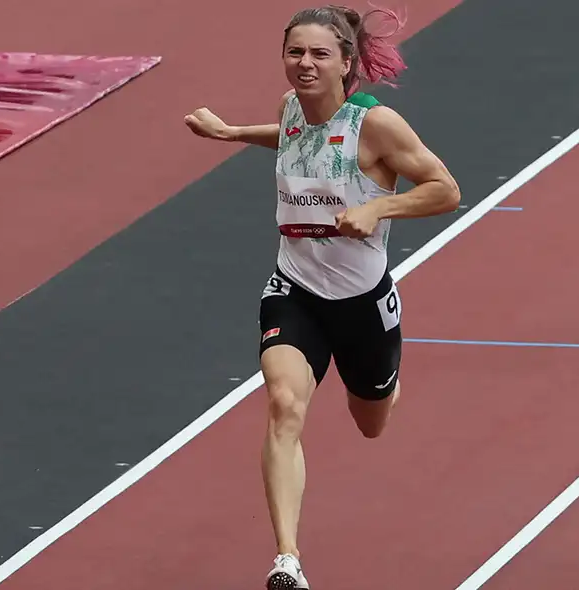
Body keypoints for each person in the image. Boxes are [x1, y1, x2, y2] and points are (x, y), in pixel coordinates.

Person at [183, 5, 460, 589]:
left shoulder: (377, 125)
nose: (304, 64)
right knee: (284, 404)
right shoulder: (290, 110)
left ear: (346, 63)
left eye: (318, 54)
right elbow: (291, 140)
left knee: (372, 422)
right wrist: (233, 132)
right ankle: (288, 560)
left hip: (362, 303)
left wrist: (378, 205)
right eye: (294, 52)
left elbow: (444, 189)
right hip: (295, 290)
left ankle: (383, 379)